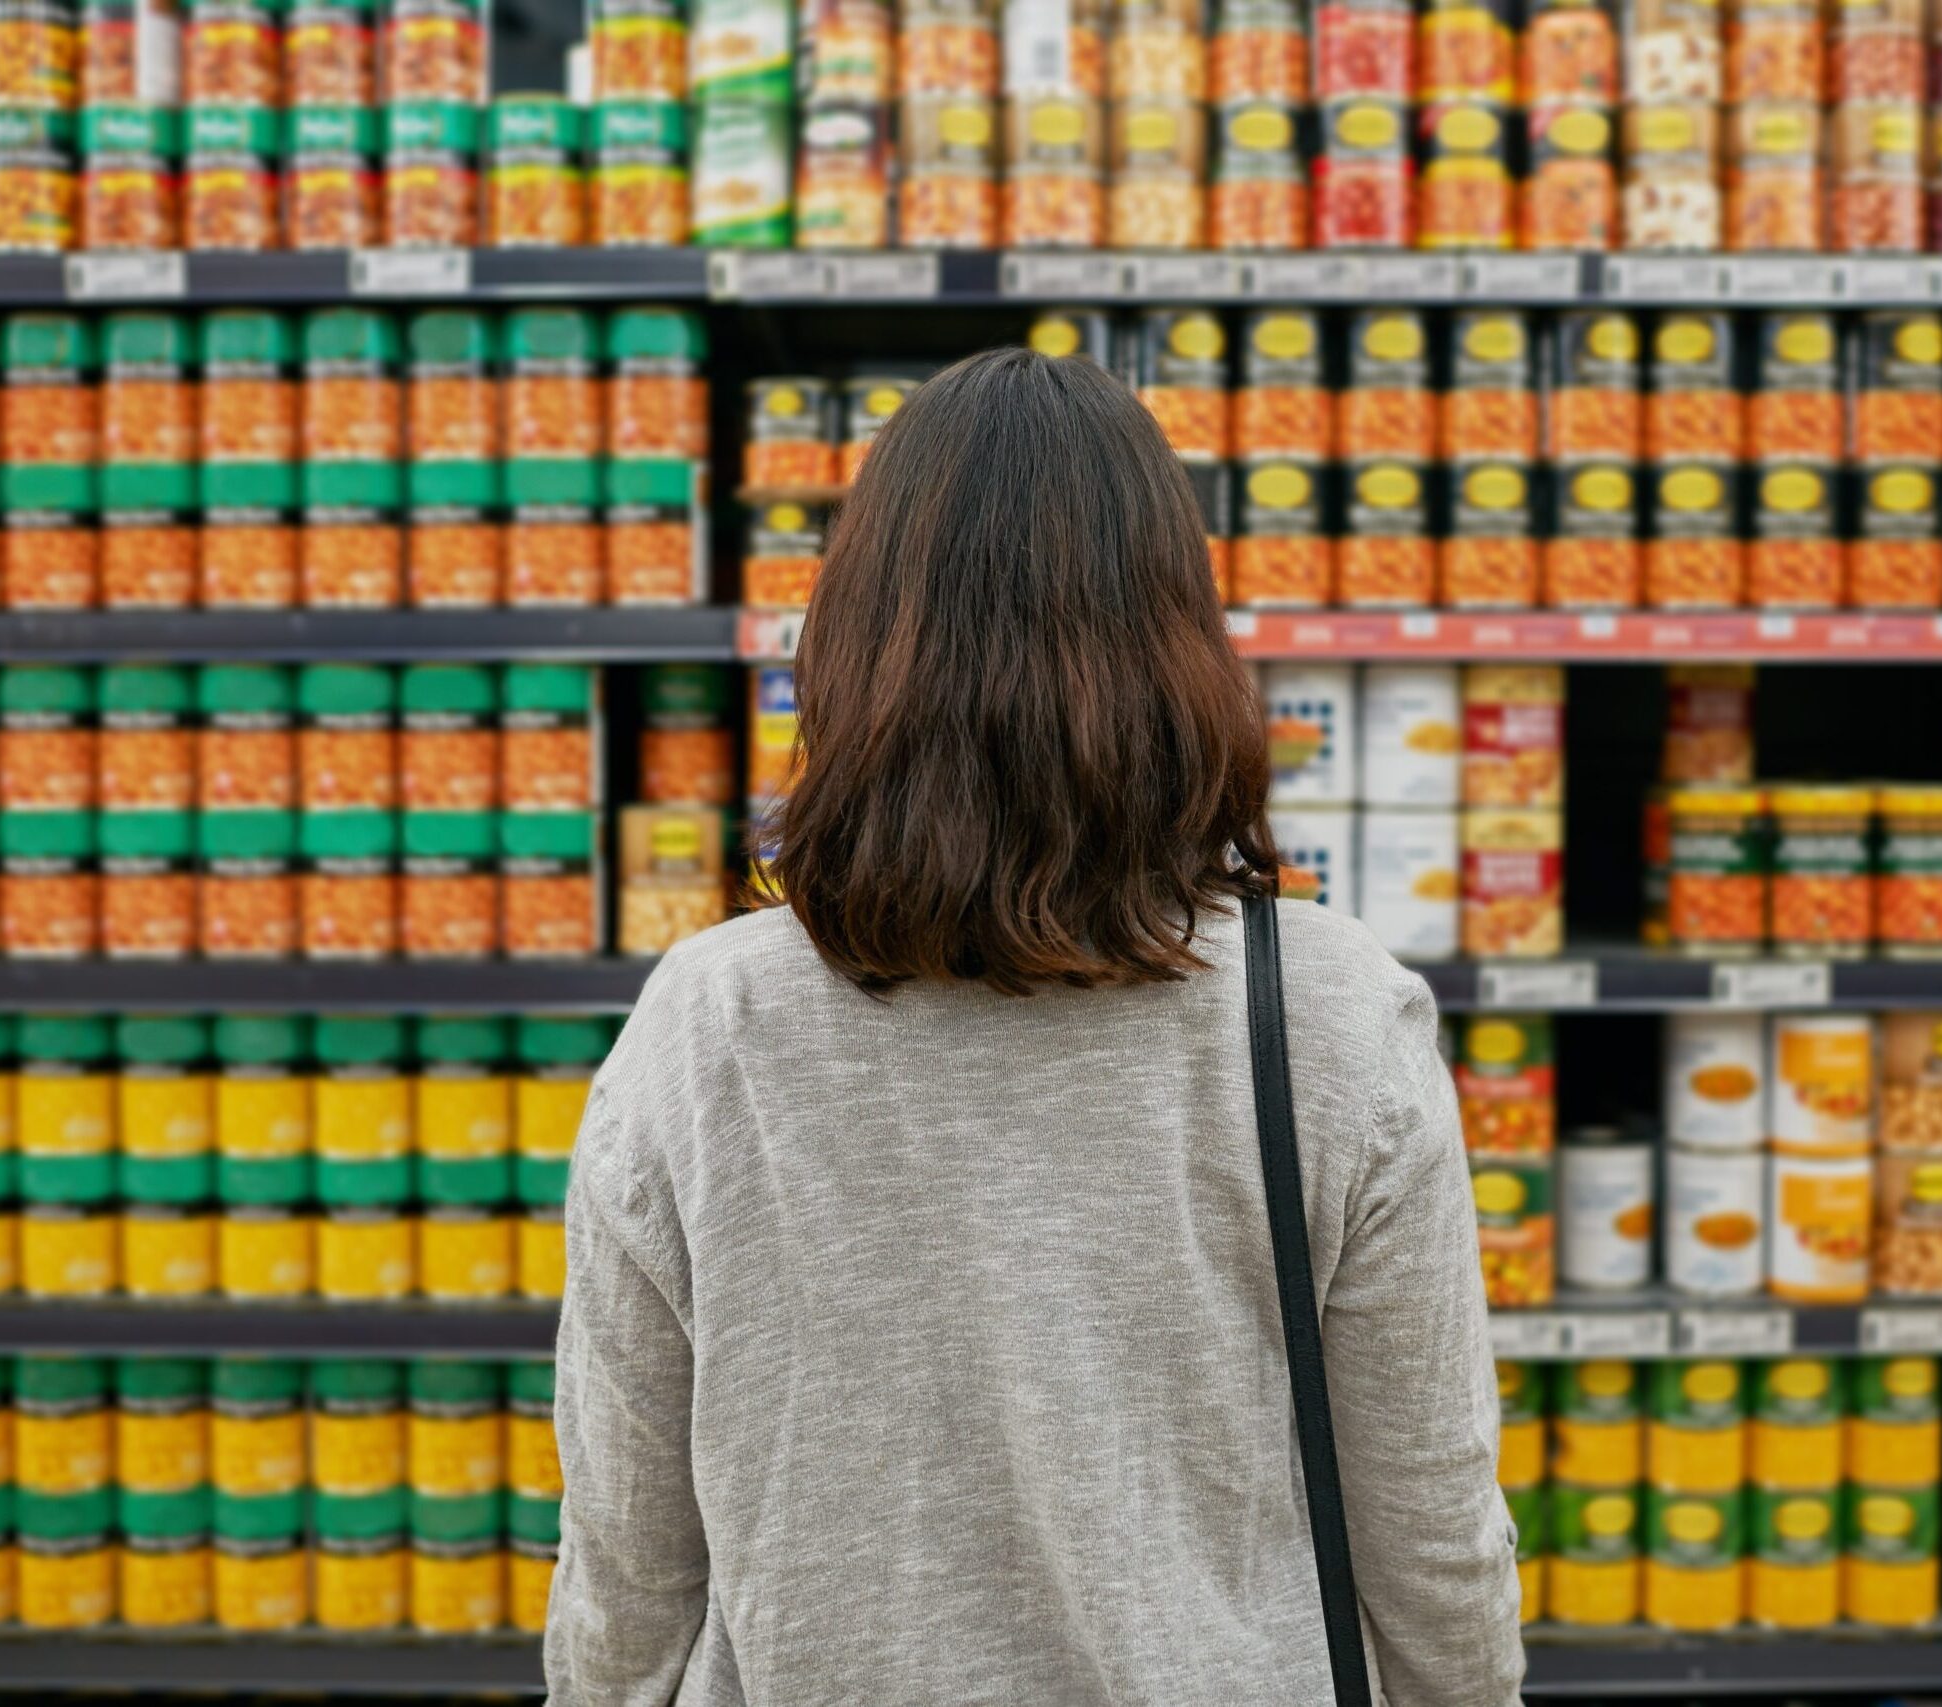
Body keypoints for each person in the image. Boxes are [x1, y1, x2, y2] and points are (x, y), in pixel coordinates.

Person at [546, 346, 1522, 1706]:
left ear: (850, 640)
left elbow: (628, 1569)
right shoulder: (1329, 1014)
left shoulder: (711, 1021)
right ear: (1179, 642)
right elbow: (1429, 1535)